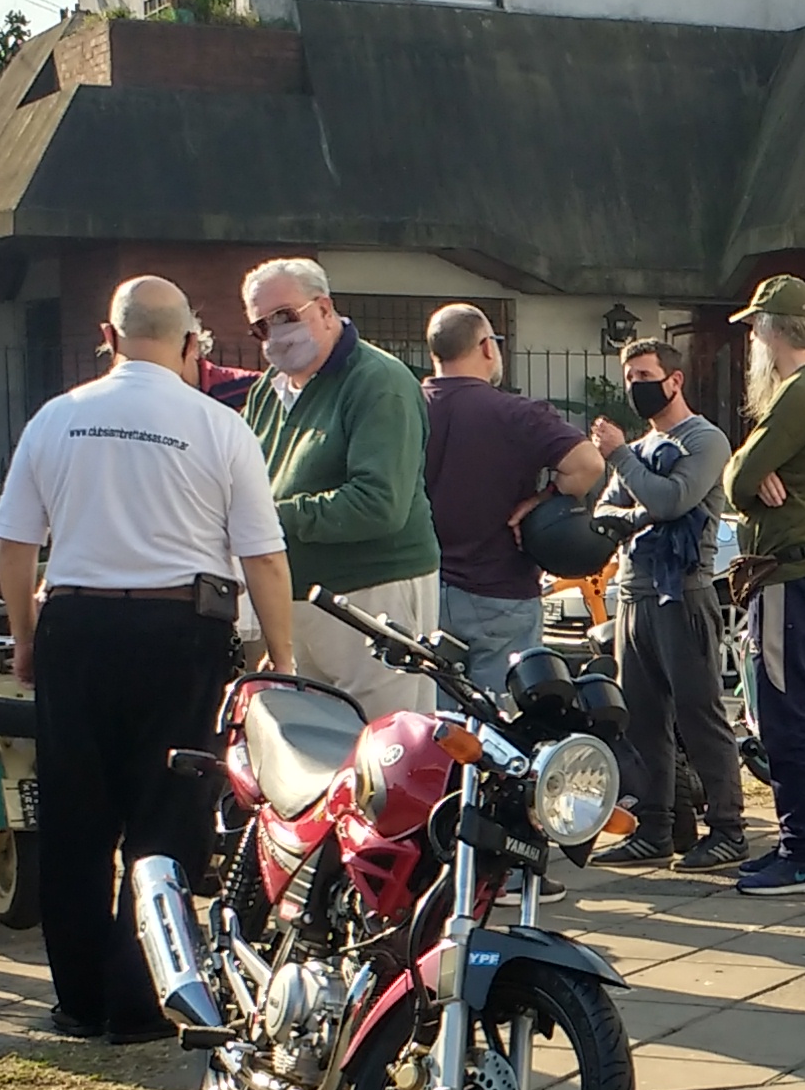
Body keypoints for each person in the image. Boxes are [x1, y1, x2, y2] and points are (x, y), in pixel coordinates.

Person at [0, 275, 295, 1042]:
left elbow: (15, 543)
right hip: (179, 632)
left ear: (109, 336)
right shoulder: (219, 426)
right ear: (192, 343)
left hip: (76, 625)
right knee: (167, 816)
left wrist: (26, 635)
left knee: (75, 818)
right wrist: (281, 659)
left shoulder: (56, 417)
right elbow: (263, 556)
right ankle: (143, 997)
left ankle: (78, 998)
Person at [239, 256, 439, 715]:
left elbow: (378, 504)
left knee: (382, 741)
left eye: (284, 316)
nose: (274, 334)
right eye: (261, 326)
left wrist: (268, 518)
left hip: (372, 592)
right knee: (312, 744)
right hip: (295, 598)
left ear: (325, 308)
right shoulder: (268, 390)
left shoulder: (379, 381)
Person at [721, 274, 805, 896]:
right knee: (787, 706)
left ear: (772, 330)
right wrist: (754, 474)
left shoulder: (799, 392)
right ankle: (794, 845)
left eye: (754, 327)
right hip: (798, 569)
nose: (751, 339)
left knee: (785, 713)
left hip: (786, 572)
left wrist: (751, 475)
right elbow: (749, 475)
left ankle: (802, 853)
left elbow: (736, 480)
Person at [590, 338, 743, 871]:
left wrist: (621, 460)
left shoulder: (705, 439)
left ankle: (728, 830)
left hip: (683, 593)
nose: (636, 385)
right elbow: (606, 511)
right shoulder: (640, 447)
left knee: (700, 715)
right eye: (629, 376)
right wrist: (639, 511)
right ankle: (655, 829)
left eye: (645, 375)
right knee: (642, 720)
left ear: (674, 380)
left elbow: (672, 500)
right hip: (635, 595)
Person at [420, 302, 602, 688]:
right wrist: (544, 497)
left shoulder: (407, 408)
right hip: (500, 589)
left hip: (421, 589)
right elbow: (588, 464)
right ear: (487, 347)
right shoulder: (516, 413)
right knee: (499, 717)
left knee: (431, 717)